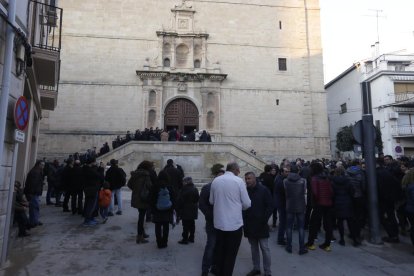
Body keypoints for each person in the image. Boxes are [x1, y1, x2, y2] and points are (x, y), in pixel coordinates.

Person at [209, 162, 251, 276]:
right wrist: (237, 206)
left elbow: (211, 201)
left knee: (220, 251)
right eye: (239, 170)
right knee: (230, 254)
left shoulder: (216, 181)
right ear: (236, 170)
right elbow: (247, 204)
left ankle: (219, 272)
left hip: (219, 223)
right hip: (234, 224)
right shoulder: (239, 181)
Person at [243, 172, 273, 276]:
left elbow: (270, 206)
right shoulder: (245, 191)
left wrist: (264, 220)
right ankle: (256, 268)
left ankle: (267, 271)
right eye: (246, 179)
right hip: (249, 225)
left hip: (261, 225)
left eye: (249, 178)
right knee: (253, 248)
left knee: (265, 248)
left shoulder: (264, 190)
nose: (247, 181)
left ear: (254, 179)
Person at [199, 169, 225, 276]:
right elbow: (201, 204)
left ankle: (215, 266)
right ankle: (205, 268)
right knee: (211, 244)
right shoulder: (208, 187)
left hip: (224, 222)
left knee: (219, 245)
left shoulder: (225, 188)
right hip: (212, 221)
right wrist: (210, 215)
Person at [306, 162, 334, 252]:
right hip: (328, 203)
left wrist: (315, 202)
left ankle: (310, 243)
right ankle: (327, 245)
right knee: (328, 224)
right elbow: (331, 191)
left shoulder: (314, 179)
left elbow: (315, 192)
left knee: (313, 224)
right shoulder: (326, 177)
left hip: (319, 204)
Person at [284, 164, 308, 255]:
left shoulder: (285, 181)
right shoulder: (303, 180)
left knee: (289, 227)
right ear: (298, 171)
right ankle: (301, 248)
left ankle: (289, 247)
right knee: (301, 228)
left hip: (290, 204)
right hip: (300, 205)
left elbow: (286, 192)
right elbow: (304, 191)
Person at [128, 160, 154, 244]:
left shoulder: (135, 174)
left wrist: (136, 190)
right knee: (141, 217)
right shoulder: (146, 175)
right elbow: (150, 186)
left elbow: (129, 184)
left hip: (136, 198)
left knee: (141, 216)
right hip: (143, 198)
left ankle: (142, 233)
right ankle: (139, 236)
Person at [332, 167, 359, 246]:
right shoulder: (348, 181)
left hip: (338, 203)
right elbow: (352, 191)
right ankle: (354, 240)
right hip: (347, 202)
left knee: (340, 222)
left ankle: (342, 239)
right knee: (350, 222)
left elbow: (332, 193)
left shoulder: (333, 181)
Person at [150, 170, 176, 248]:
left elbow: (151, 198)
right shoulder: (169, 186)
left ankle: (159, 243)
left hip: (157, 209)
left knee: (157, 226)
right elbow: (174, 198)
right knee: (166, 226)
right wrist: (172, 207)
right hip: (167, 209)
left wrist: (152, 208)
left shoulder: (155, 186)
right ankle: (165, 242)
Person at [177, 177, 200, 244]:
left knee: (185, 225)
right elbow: (197, 199)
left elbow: (180, 200)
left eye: (183, 181)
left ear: (186, 182)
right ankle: (191, 238)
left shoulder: (184, 189)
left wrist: (178, 209)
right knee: (192, 224)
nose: (182, 183)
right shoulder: (195, 188)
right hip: (193, 209)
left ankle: (185, 239)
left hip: (185, 209)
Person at [82, 157, 103, 226]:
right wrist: (101, 169)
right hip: (91, 189)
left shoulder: (86, 169)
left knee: (91, 205)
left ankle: (90, 218)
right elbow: (98, 176)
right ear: (92, 162)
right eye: (95, 162)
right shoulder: (89, 170)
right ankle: (87, 221)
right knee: (90, 205)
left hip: (90, 189)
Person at [24, 161, 45, 228]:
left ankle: (35, 220)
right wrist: (31, 193)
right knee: (34, 207)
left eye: (43, 165)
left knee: (35, 207)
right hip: (33, 193)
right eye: (42, 165)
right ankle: (33, 222)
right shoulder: (35, 172)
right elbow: (32, 184)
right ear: (38, 165)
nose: (43, 166)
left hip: (35, 192)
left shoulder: (37, 171)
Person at [274, 165, 290, 245]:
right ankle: (280, 239)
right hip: (282, 203)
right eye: (286, 172)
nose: (288, 173)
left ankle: (281, 238)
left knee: (283, 222)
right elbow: (284, 192)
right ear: (282, 172)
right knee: (283, 222)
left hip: (281, 203)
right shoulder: (280, 181)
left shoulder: (280, 179)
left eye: (288, 171)